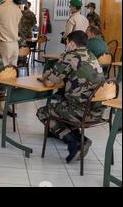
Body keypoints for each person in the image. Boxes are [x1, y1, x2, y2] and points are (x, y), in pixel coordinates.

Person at [37, 30, 105, 163]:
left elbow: (50, 81)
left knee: (43, 112)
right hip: (97, 111)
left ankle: (75, 143)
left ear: (72, 44)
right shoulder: (91, 56)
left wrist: (45, 76)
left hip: (81, 112)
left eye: (67, 42)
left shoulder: (70, 56)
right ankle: (80, 138)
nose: (66, 45)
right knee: (59, 100)